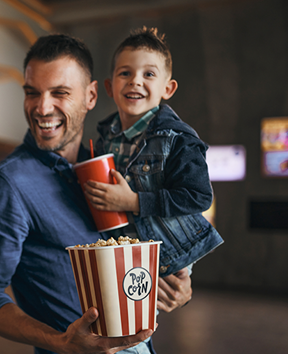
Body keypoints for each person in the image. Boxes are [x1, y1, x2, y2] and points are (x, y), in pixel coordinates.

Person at [0, 34, 193, 354]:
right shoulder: (6, 185)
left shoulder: (111, 166)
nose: (42, 108)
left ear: (91, 95)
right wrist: (60, 342)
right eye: (32, 93)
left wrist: (170, 287)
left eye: (59, 93)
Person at [84, 27, 223, 278]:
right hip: (117, 253)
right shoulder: (106, 136)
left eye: (148, 74)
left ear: (167, 89)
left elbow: (198, 197)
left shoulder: (179, 139)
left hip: (164, 258)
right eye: (125, 73)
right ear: (109, 86)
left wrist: (133, 201)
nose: (135, 80)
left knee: (142, 318)